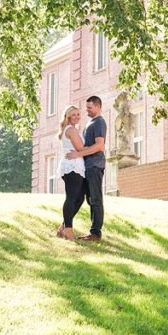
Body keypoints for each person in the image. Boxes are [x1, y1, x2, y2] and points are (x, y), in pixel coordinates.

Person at [66, 95, 107, 242]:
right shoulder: (90, 123)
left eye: (90, 107)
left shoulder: (99, 123)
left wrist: (79, 153)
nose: (87, 110)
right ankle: (65, 227)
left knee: (95, 199)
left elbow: (99, 146)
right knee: (85, 198)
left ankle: (95, 234)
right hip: (86, 166)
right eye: (86, 107)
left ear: (97, 106)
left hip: (95, 165)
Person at [56, 105, 85, 241]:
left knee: (79, 198)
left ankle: (63, 227)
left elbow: (79, 149)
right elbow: (80, 147)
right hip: (72, 166)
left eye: (78, 114)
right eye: (74, 115)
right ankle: (68, 229)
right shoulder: (71, 130)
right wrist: (96, 148)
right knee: (72, 197)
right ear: (68, 117)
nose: (77, 117)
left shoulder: (71, 130)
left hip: (76, 166)